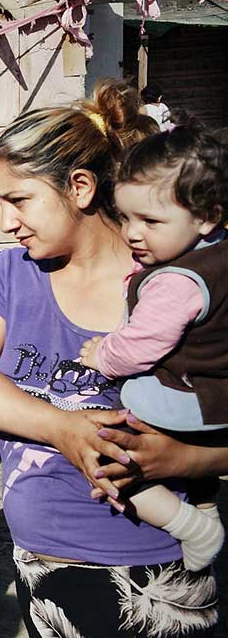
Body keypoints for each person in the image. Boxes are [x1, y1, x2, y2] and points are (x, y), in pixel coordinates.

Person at [0, 79, 224, 636]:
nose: (6, 222)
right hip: (40, 567)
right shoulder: (14, 273)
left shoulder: (179, 288)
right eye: (0, 203)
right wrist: (62, 428)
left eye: (19, 200)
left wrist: (183, 460)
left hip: (158, 573)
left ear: (79, 187)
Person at [78, 126, 228, 572]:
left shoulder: (175, 282)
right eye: (125, 218)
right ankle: (205, 506)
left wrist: (102, 355)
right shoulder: (215, 255)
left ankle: (189, 524)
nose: (132, 233)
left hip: (181, 399)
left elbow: (140, 346)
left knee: (109, 454)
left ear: (207, 217)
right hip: (213, 395)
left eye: (150, 222)